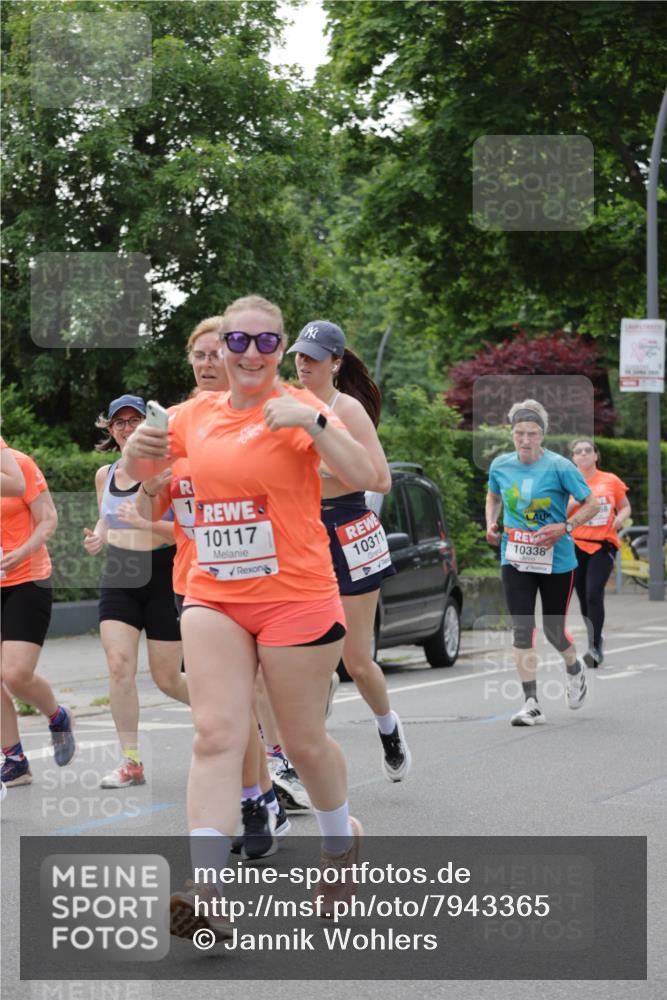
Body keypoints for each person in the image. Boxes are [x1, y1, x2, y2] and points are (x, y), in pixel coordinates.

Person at [123, 294, 377, 936]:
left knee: (301, 742)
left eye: (268, 343)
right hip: (214, 593)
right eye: (239, 342)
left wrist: (314, 425)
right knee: (215, 735)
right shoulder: (192, 415)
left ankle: (339, 842)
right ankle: (205, 888)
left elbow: (374, 474)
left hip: (296, 594)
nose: (252, 354)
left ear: (281, 349)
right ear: (224, 347)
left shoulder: (303, 408)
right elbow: (134, 478)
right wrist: (137, 452)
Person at [133, 317, 290, 857]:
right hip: (198, 583)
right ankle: (253, 801)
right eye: (196, 356)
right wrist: (152, 483)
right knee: (221, 711)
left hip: (272, 584)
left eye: (212, 354)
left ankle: (270, 787)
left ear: (235, 358)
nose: (204, 364)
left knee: (261, 705)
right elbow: (141, 507)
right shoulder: (175, 424)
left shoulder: (269, 415)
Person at [288, 320, 411, 780]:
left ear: (336, 364)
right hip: (300, 533)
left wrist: (322, 475)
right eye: (299, 355)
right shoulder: (286, 404)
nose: (304, 364)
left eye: (314, 357)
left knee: (355, 660)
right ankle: (301, 763)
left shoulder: (349, 410)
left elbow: (379, 478)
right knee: (309, 656)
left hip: (348, 528)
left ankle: (388, 727)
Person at [83, 395, 186, 788]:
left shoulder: (167, 470)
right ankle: (130, 762)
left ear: (150, 425)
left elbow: (182, 530)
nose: (128, 428)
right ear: (110, 430)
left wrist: (144, 521)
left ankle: (243, 716)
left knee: (169, 679)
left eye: (135, 420)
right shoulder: (103, 475)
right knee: (119, 665)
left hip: (163, 573)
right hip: (120, 573)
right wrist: (99, 536)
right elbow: (108, 517)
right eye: (119, 423)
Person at [485, 400, 600, 726]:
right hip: (515, 558)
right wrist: (491, 523)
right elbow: (493, 495)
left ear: (542, 435)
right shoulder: (501, 466)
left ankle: (574, 669)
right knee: (522, 629)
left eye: (532, 434)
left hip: (557, 561)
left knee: (553, 630)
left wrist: (565, 527)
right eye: (519, 433)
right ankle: (531, 702)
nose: (525, 440)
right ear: (511, 433)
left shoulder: (561, 467)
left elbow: (591, 504)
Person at [1, 444, 75, 788]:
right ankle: (14, 759)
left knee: (15, 674)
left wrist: (20, 552)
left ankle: (57, 717)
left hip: (27, 578)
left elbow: (48, 519)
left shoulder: (19, 464)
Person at [568, 438, 631, 668]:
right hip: (576, 545)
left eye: (588, 450)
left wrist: (619, 519)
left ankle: (594, 647)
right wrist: (573, 501)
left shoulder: (610, 480)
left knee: (594, 592)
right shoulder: (568, 482)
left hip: (604, 544)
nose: (583, 454)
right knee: (584, 597)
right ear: (573, 458)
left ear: (596, 455)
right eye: (578, 451)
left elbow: (625, 506)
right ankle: (596, 636)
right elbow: (559, 513)